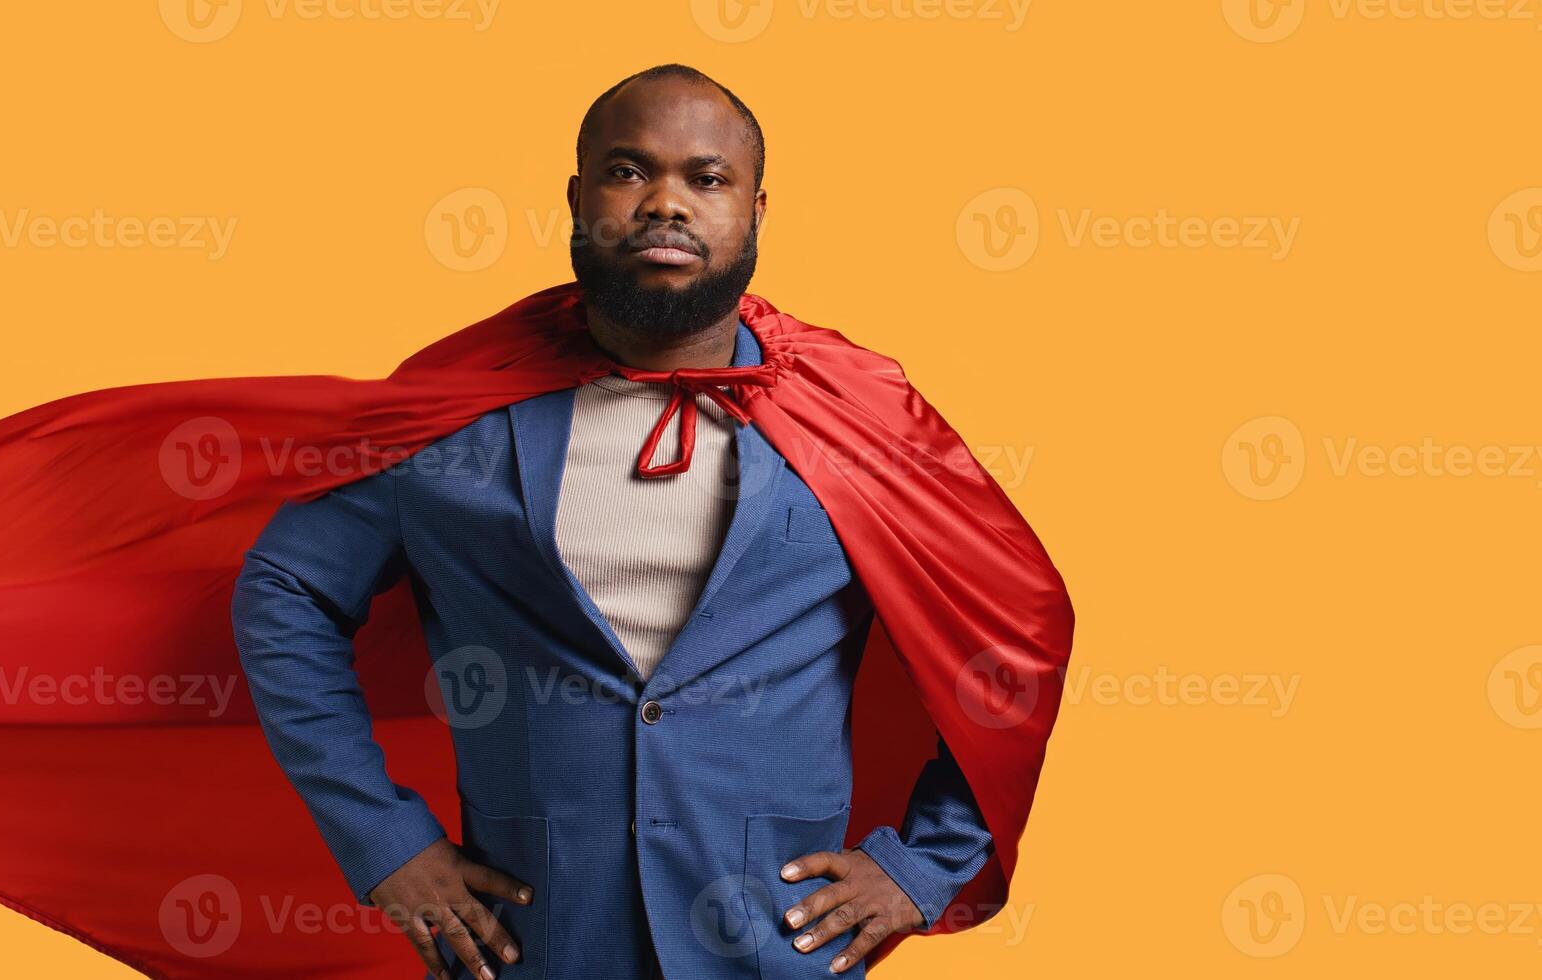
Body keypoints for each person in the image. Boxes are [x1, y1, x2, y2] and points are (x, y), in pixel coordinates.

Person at [233, 64, 995, 980]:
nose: (665, 202)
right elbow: (286, 586)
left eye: (706, 179)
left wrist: (922, 865)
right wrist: (383, 840)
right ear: (577, 198)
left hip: (775, 946)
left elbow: (1010, 631)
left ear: (755, 211)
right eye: (628, 171)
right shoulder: (457, 418)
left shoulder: (860, 419)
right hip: (535, 941)